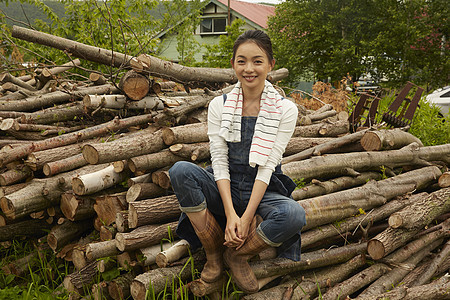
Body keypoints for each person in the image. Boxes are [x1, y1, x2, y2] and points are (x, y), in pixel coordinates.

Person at [169, 29, 306, 294]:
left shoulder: (285, 109)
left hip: (263, 188)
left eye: (257, 61)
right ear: (233, 64)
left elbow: (268, 165)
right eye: (241, 61)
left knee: (294, 215)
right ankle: (213, 254)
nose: (249, 68)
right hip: (225, 183)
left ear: (270, 65)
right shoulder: (219, 105)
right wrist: (231, 213)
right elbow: (219, 161)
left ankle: (238, 256)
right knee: (181, 171)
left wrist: (245, 219)